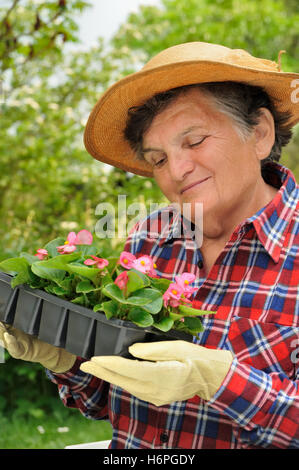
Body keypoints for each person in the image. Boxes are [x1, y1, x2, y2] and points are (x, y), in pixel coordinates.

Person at [1, 42, 298, 449]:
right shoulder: (151, 240)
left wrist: (220, 380)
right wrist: (67, 359)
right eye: (158, 159)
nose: (176, 170)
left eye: (194, 142)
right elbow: (110, 401)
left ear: (260, 133)